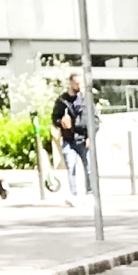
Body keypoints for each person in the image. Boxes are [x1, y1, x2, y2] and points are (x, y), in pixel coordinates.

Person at [52, 72, 93, 202]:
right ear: (71, 83)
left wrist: (90, 136)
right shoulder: (62, 101)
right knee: (71, 167)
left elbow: (94, 119)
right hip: (68, 138)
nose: (79, 85)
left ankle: (90, 192)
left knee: (89, 167)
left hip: (83, 137)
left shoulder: (86, 99)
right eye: (76, 83)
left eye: (81, 83)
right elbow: (54, 118)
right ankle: (73, 194)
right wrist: (61, 123)